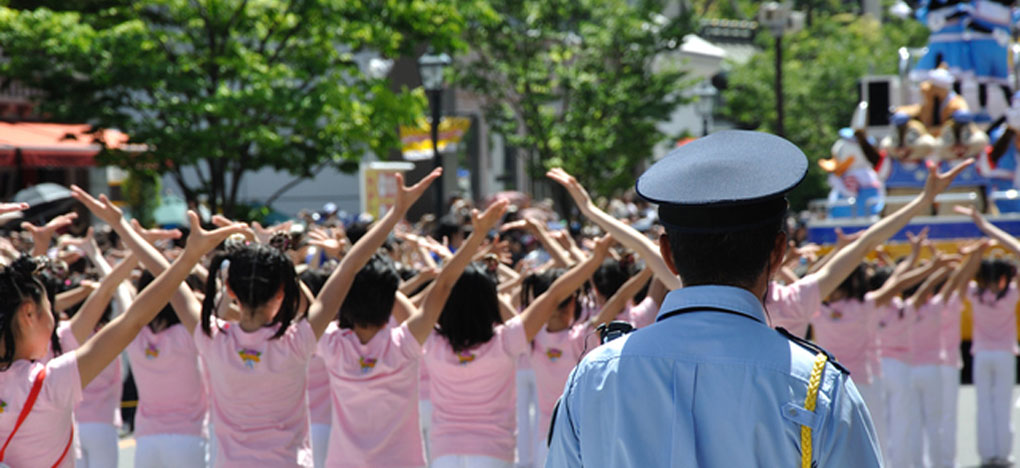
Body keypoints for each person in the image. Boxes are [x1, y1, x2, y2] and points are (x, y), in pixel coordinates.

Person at [546, 130, 971, 467]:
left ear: (669, 254)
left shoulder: (595, 375)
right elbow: (861, 247)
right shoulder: (818, 385)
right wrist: (922, 201)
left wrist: (588, 209)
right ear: (779, 252)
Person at [0, 196, 247, 468]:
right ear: (28, 314)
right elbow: (133, 318)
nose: (54, 316)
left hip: (146, 439)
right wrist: (189, 257)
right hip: (180, 438)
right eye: (50, 306)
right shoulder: (49, 383)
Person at [955, 205, 1020, 467]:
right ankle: (1002, 455)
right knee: (1002, 404)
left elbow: (962, 276)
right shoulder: (1011, 295)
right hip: (1004, 352)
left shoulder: (974, 293)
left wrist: (972, 255)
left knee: (984, 405)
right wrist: (987, 228)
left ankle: (986, 455)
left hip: (982, 353)